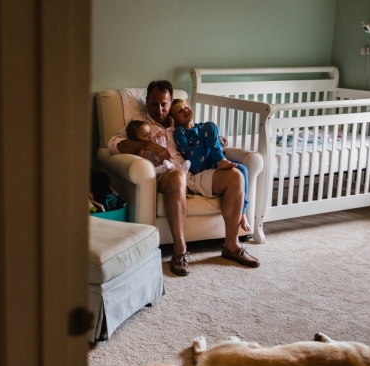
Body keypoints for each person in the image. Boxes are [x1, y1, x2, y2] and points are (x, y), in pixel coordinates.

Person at [107, 80, 259, 276]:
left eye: (164, 104)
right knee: (178, 177)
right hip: (167, 175)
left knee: (235, 176)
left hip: (196, 173)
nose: (159, 109)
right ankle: (180, 251)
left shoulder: (182, 123)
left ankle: (231, 245)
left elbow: (206, 140)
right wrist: (150, 146)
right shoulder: (139, 124)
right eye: (154, 104)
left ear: (171, 103)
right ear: (147, 102)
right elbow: (113, 145)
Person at [169, 98, 250, 232]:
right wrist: (205, 141)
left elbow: (213, 142)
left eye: (185, 107)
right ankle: (221, 160)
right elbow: (188, 152)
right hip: (195, 163)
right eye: (179, 111)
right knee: (210, 126)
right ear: (175, 120)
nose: (185, 110)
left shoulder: (201, 127)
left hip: (210, 163)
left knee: (242, 169)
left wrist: (218, 141)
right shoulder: (180, 132)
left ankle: (242, 212)